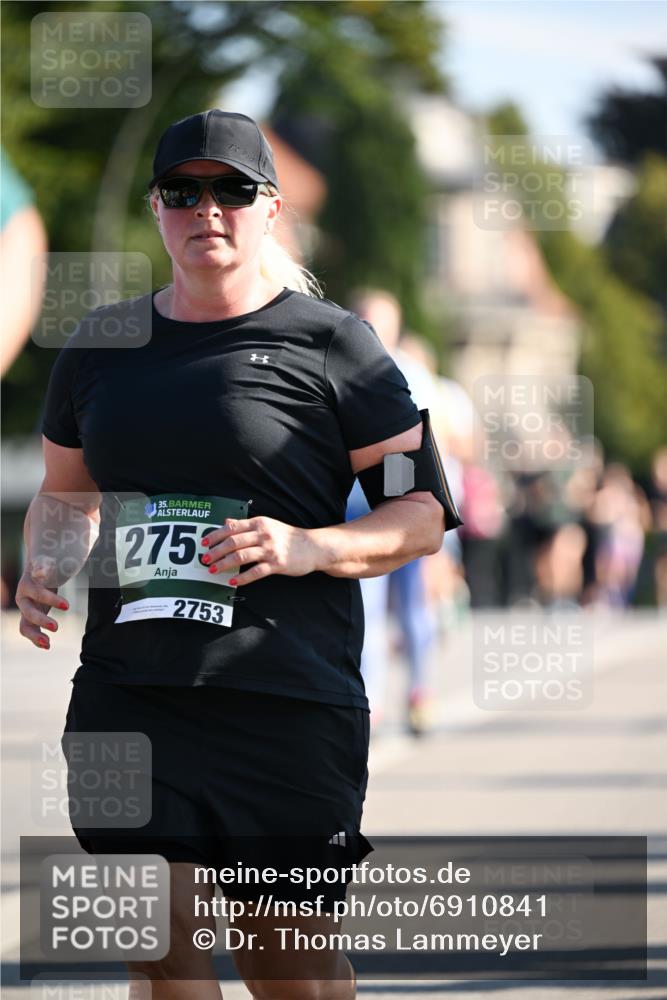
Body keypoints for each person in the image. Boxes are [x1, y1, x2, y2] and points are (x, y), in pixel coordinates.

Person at [16, 110, 446, 1000]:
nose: (205, 208)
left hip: (283, 699)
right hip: (131, 693)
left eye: (231, 190)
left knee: (283, 964)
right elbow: (66, 493)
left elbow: (420, 510)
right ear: (156, 207)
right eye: (183, 190)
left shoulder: (336, 348)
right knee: (159, 949)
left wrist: (308, 545)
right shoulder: (101, 347)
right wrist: (48, 563)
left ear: (270, 208)